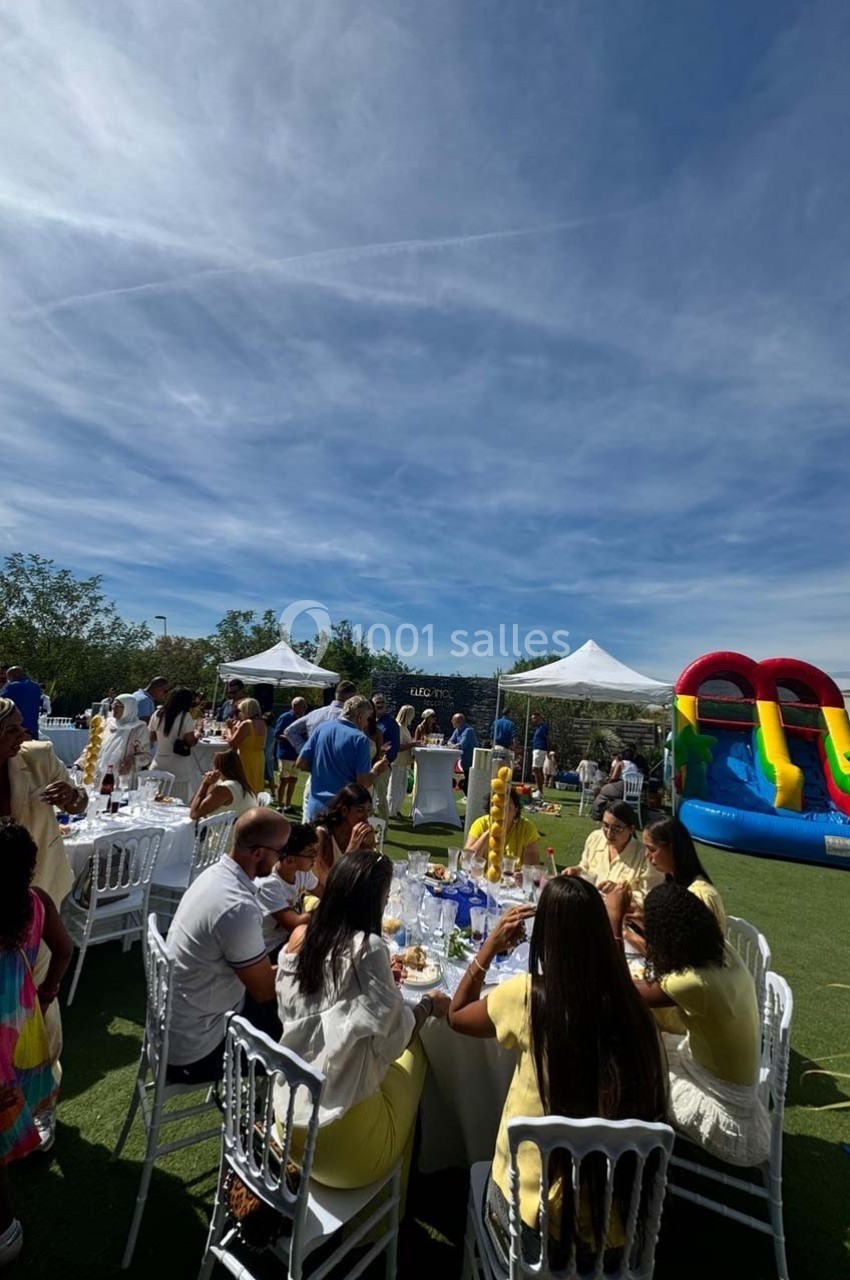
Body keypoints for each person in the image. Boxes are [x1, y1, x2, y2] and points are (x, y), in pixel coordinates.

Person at [448, 877, 667, 1270]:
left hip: (532, 1234)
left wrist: (490, 948)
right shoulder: (636, 1015)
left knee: (478, 1175)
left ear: (544, 934)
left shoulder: (530, 997)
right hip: (616, 1238)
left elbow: (457, 1015)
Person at [274, 851, 449, 1194]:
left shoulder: (304, 937)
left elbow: (330, 1008)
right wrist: (428, 1005)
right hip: (338, 1146)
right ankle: (390, 1214)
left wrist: (383, 989)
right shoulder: (367, 949)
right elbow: (393, 1041)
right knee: (418, 1049)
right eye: (385, 899)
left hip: (288, 1119)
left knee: (375, 1049)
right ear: (373, 902)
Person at [628, 884, 770, 1166]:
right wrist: (639, 922)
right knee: (648, 1039)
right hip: (723, 1075)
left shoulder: (693, 983)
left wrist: (614, 918)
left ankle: (632, 1155)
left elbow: (624, 990)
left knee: (630, 1058)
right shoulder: (721, 951)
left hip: (723, 1105)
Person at [165, 808, 289, 1084]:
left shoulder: (214, 874)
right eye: (280, 852)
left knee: (283, 1012)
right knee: (299, 1040)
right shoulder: (236, 906)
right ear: (258, 853)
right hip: (198, 1050)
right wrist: (307, 959)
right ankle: (272, 1116)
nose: (282, 860)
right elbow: (264, 989)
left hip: (177, 1027)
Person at [0, 699, 86, 1090]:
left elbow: (81, 801)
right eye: (12, 730)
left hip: (40, 891)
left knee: (36, 990)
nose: (24, 735)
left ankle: (43, 1082)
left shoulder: (37, 756)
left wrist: (71, 796)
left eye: (21, 726)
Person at [0, 824, 73, 1266]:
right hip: (23, 1017)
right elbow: (64, 950)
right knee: (17, 1086)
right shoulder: (37, 904)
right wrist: (45, 993)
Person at [296, 696, 389, 822]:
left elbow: (301, 763)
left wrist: (323, 771)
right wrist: (377, 770)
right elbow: (362, 783)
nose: (367, 723)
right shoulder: (359, 739)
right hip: (341, 811)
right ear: (359, 717)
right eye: (367, 719)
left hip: (315, 807)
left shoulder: (322, 728)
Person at [564, 801, 662, 906]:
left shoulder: (646, 857)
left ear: (631, 829)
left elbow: (649, 898)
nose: (609, 833)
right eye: (605, 825)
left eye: (617, 828)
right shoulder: (595, 838)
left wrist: (618, 892)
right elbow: (585, 867)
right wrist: (577, 870)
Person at [641, 816, 726, 931]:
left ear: (673, 849)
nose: (646, 855)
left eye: (652, 849)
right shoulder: (670, 881)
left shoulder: (700, 896)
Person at [256, 823, 321, 955]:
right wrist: (328, 907)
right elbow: (294, 924)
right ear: (290, 859)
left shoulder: (302, 872)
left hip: (288, 938)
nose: (315, 858)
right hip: (269, 947)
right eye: (310, 853)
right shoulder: (269, 884)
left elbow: (324, 892)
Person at [76, 693, 151, 783]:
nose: (114, 708)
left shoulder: (139, 728)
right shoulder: (107, 723)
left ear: (129, 708)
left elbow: (146, 757)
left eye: (118, 705)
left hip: (122, 778)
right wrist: (79, 763)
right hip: (98, 773)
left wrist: (132, 760)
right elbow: (92, 746)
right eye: (113, 705)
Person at [465, 787, 540, 868]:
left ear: (516, 810)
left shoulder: (526, 829)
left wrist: (521, 875)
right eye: (498, 807)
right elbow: (466, 861)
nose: (502, 814)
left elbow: (532, 868)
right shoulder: (481, 824)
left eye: (507, 808)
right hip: (481, 878)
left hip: (512, 879)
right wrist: (489, 832)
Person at [313, 784, 378, 874]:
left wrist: (370, 846)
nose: (365, 816)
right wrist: (352, 847)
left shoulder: (362, 836)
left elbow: (369, 874)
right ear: (344, 811)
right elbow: (324, 880)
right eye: (360, 810)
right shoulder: (322, 835)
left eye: (368, 810)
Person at [149, 687, 199, 802]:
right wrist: (197, 735)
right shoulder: (185, 716)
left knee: (154, 801)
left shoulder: (157, 714)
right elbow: (190, 741)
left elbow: (152, 737)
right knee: (175, 803)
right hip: (178, 765)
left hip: (158, 762)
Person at [189, 749, 256, 822]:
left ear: (218, 769)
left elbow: (194, 813)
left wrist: (205, 784)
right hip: (244, 830)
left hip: (229, 832)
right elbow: (203, 804)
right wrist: (211, 784)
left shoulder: (225, 788)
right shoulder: (241, 784)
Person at [272, 696, 308, 812]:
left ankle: (288, 805)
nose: (304, 708)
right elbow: (277, 734)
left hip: (297, 755)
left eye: (305, 706)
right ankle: (280, 804)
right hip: (285, 754)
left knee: (293, 780)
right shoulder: (285, 717)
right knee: (283, 780)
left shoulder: (304, 719)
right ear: (295, 706)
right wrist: (291, 738)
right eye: (302, 706)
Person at [226, 697, 267, 796]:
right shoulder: (263, 723)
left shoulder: (246, 724)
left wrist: (229, 729)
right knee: (255, 786)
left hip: (245, 758)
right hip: (258, 758)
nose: (239, 713)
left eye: (240, 710)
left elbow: (232, 743)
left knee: (244, 787)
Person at [370, 694, 400, 821]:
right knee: (365, 799)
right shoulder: (368, 721)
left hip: (382, 765)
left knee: (380, 799)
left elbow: (395, 745)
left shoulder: (391, 723)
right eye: (377, 703)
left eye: (382, 703)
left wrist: (386, 760)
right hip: (366, 764)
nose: (379, 705)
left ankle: (383, 829)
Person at [591, 748, 641, 820]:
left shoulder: (621, 763)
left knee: (603, 791)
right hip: (633, 790)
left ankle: (597, 814)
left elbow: (614, 778)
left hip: (622, 787)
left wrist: (608, 783)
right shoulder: (635, 766)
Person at [388, 705, 415, 817]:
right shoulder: (398, 727)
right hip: (397, 762)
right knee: (394, 787)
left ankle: (397, 809)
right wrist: (412, 744)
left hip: (404, 762)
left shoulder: (405, 727)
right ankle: (391, 810)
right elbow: (398, 746)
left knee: (402, 788)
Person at [1, 669, 42, 740]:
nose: (9, 681)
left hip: (18, 727)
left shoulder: (13, 686)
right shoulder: (36, 687)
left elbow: (2, 700)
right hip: (33, 727)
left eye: (9, 678)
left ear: (14, 676)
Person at [447, 713, 478, 795]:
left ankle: (470, 799)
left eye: (453, 720)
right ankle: (468, 798)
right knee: (466, 783)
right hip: (464, 762)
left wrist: (453, 745)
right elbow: (450, 741)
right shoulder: (457, 730)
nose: (451, 721)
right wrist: (452, 744)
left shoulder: (468, 731)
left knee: (468, 783)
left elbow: (461, 745)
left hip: (471, 762)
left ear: (459, 721)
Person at [530, 712, 549, 798]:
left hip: (540, 749)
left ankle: (540, 791)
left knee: (536, 769)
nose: (532, 720)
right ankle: (539, 791)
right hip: (536, 749)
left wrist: (548, 750)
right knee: (537, 770)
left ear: (538, 718)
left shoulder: (543, 727)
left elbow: (548, 739)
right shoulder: (537, 728)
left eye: (533, 718)